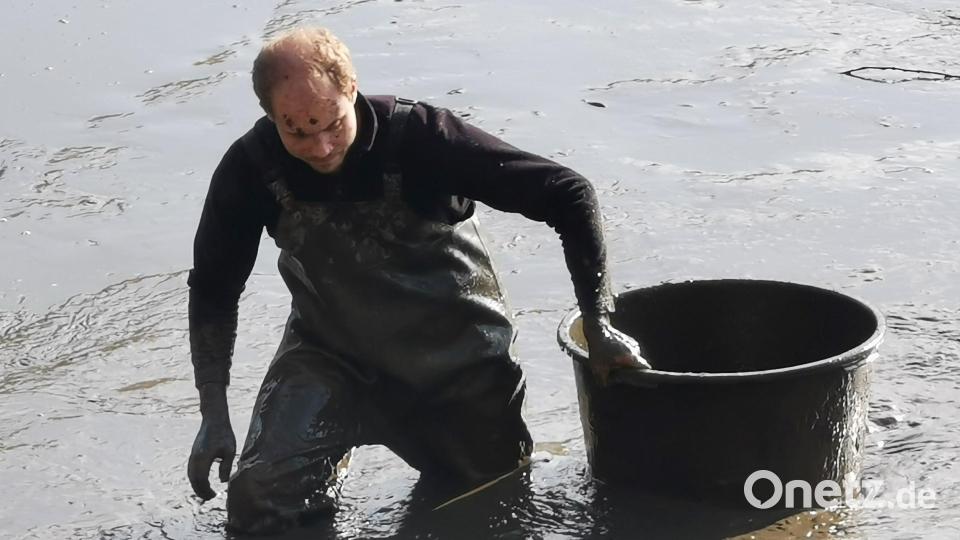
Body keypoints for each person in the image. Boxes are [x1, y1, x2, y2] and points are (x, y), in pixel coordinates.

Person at [186, 26, 648, 535]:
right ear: (271, 117)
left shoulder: (425, 138)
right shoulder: (250, 167)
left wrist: (598, 323)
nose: (319, 147)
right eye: (295, 130)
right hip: (329, 358)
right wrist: (213, 411)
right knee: (260, 503)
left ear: (352, 89)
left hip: (456, 366)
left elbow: (568, 194)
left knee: (490, 508)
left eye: (331, 123)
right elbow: (213, 288)